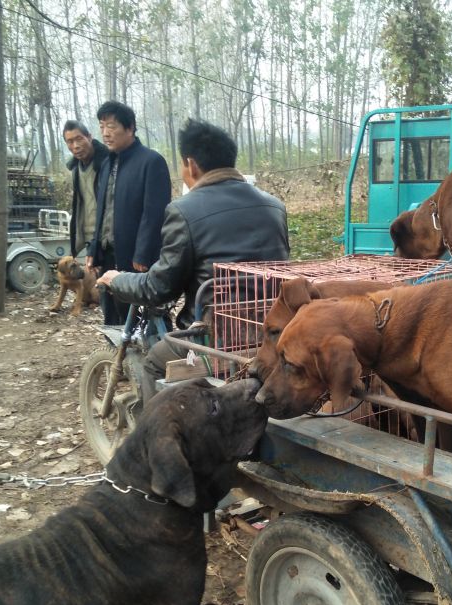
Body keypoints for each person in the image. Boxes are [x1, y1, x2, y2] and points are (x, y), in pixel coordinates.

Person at [97, 118, 290, 404]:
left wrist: (117, 279)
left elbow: (158, 288)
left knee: (153, 361)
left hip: (215, 338)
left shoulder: (184, 209)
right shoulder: (274, 205)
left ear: (191, 164)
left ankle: (153, 441)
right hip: (274, 330)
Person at [90, 101, 171, 325]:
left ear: (130, 128)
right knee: (111, 312)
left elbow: (154, 212)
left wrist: (143, 253)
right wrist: (94, 247)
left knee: (140, 315)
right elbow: (102, 210)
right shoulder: (107, 164)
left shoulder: (151, 161)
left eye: (112, 126)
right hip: (108, 254)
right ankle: (116, 357)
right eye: (102, 126)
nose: (106, 133)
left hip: (135, 257)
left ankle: (150, 356)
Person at [62, 119, 107, 261]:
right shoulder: (75, 168)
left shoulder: (107, 163)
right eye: (70, 142)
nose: (75, 146)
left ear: (89, 137)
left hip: (107, 239)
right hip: (88, 239)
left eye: (79, 139)